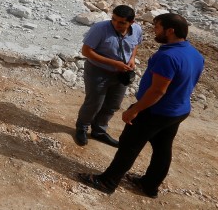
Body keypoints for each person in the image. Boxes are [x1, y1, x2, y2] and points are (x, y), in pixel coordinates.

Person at [78, 13, 204, 198]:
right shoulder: (195, 54)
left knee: (129, 146)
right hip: (178, 110)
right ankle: (149, 185)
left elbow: (157, 91)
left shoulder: (168, 57)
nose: (155, 30)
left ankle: (107, 182)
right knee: (162, 148)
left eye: (158, 27)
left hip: (155, 111)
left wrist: (135, 109)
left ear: (170, 31)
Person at [75, 5, 143, 147]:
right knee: (94, 103)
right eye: (114, 20)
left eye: (121, 22)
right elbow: (86, 51)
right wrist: (113, 63)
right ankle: (82, 128)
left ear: (132, 22)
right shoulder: (100, 29)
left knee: (113, 104)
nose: (116, 24)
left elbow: (135, 44)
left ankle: (99, 131)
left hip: (121, 73)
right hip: (97, 71)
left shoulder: (136, 30)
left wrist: (131, 59)